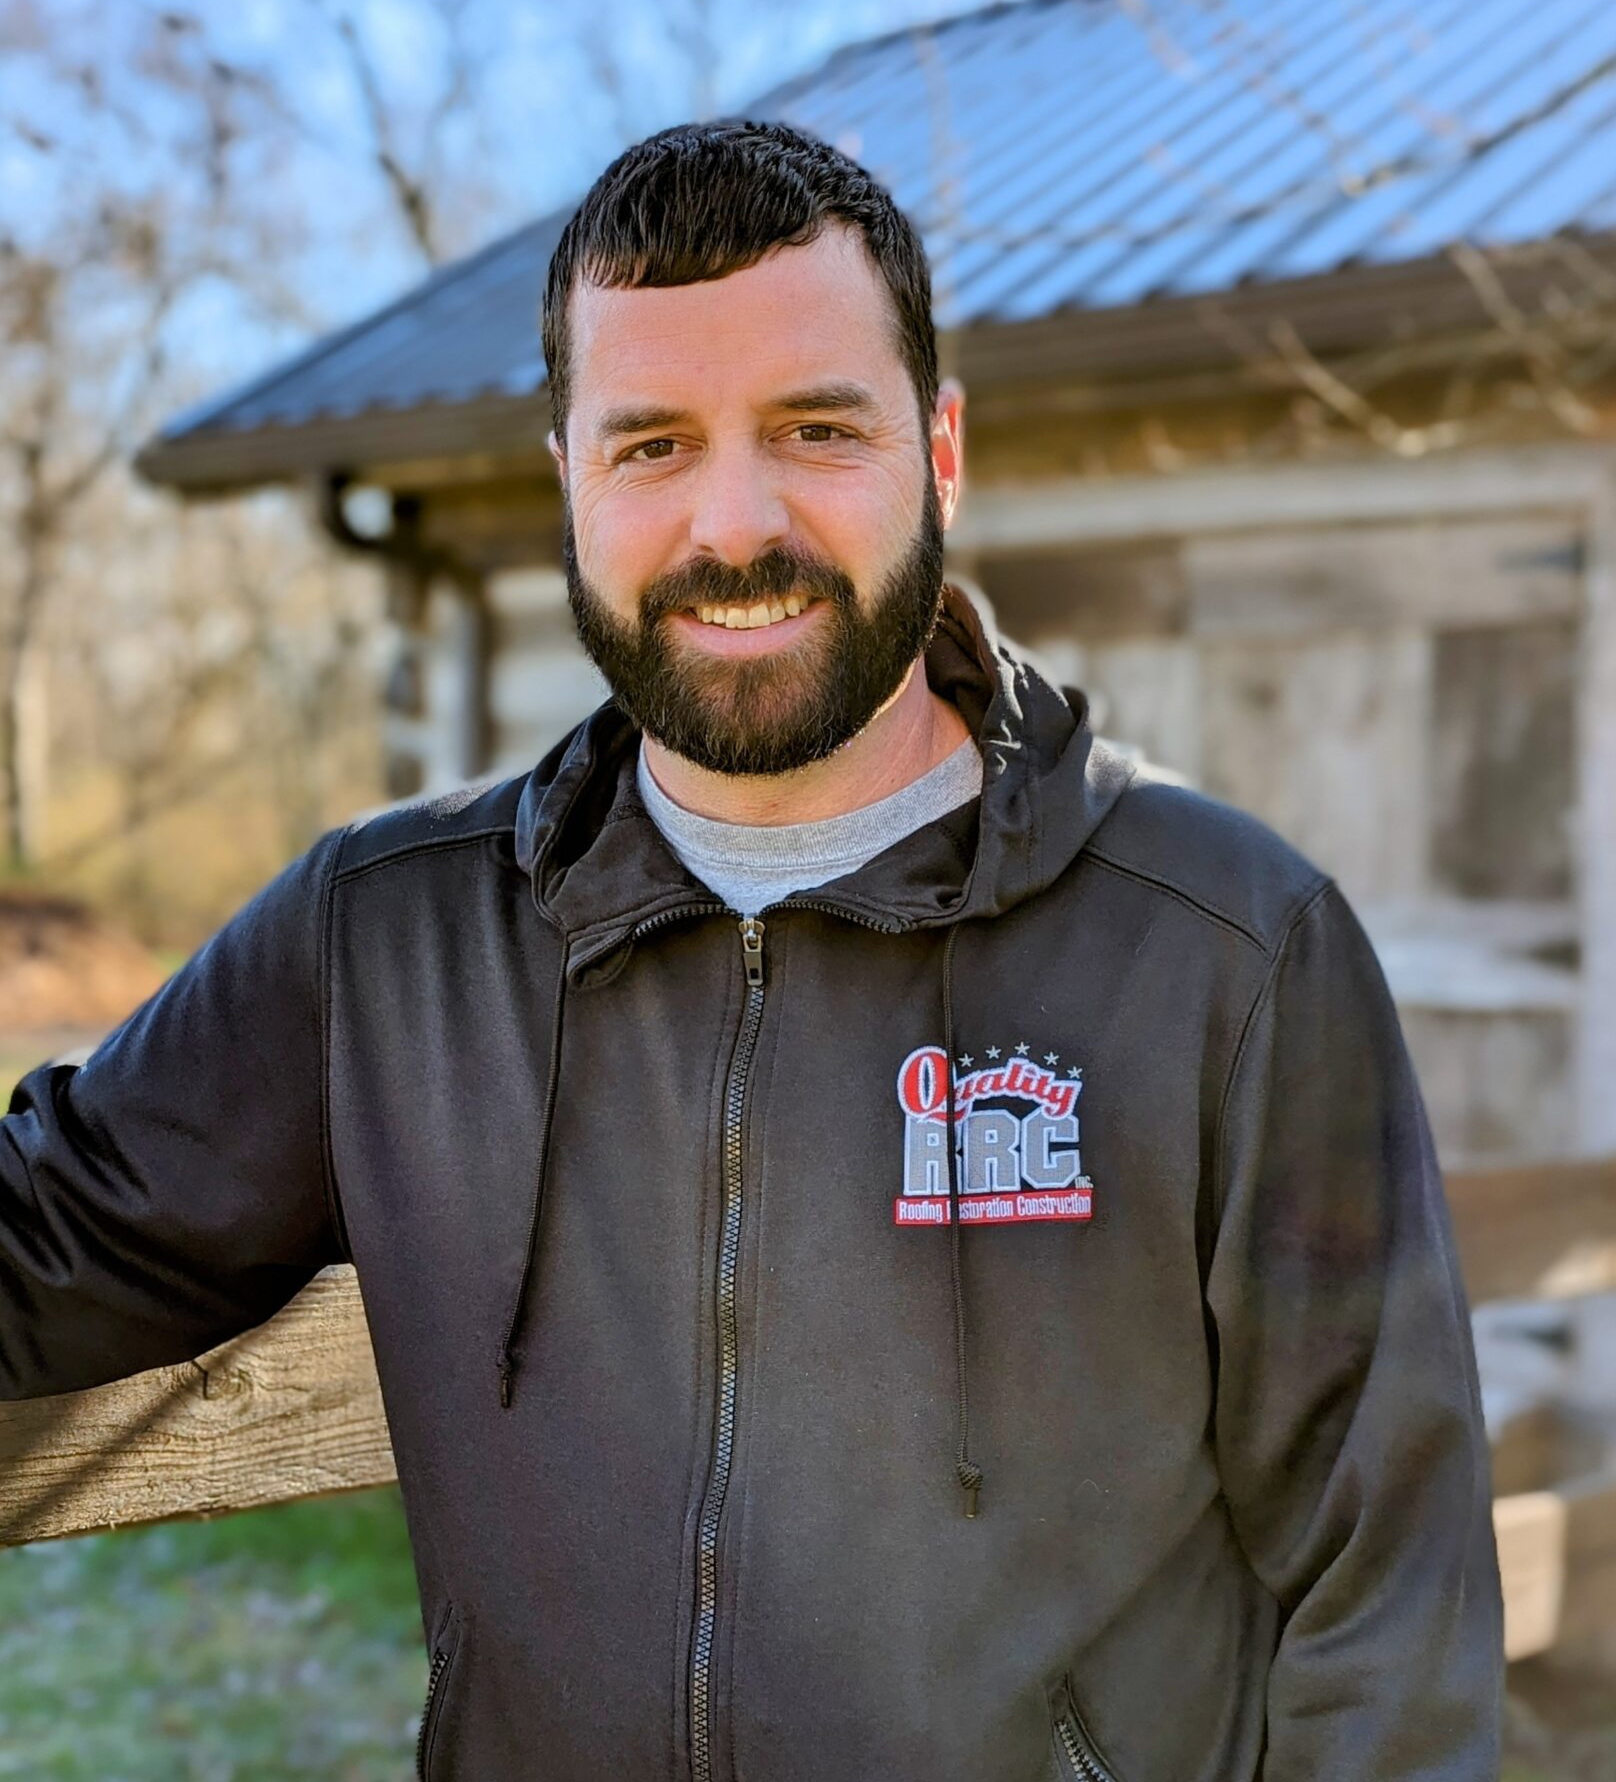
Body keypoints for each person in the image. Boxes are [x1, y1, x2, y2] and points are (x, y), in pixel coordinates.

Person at [4, 120, 1503, 1780]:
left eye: (815, 428)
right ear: (568, 475)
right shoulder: (382, 945)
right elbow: (47, 1245)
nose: (734, 523)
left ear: (938, 452)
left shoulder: (1229, 949)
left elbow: (1390, 1615)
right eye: (651, 443)